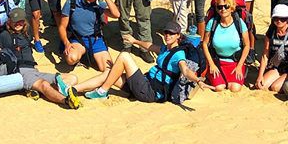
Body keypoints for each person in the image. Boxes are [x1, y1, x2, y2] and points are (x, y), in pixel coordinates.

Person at [0, 8, 81, 109]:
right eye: (15, 21)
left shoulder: (26, 33)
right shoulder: (4, 35)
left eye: (20, 21)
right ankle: (66, 101)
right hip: (21, 71)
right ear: (9, 22)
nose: (18, 24)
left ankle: (36, 90)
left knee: (72, 78)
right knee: (43, 84)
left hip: (33, 70)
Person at [73, 21, 203, 101]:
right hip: (144, 84)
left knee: (125, 56)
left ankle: (102, 91)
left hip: (150, 92)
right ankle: (73, 90)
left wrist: (197, 80)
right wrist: (135, 41)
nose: (168, 35)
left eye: (172, 33)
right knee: (109, 73)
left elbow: (185, 70)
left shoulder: (179, 54)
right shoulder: (165, 48)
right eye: (166, 33)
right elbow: (150, 46)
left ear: (178, 36)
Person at [59, 0, 120, 72]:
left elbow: (116, 15)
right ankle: (83, 55)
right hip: (78, 39)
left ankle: (90, 54)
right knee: (71, 58)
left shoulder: (98, 5)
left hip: (95, 39)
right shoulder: (71, 3)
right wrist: (66, 43)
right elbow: (62, 26)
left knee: (108, 69)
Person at [201, 0, 250, 92]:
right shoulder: (212, 23)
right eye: (220, 7)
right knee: (219, 88)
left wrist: (240, 66)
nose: (223, 9)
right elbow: (205, 44)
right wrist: (211, 64)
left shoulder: (239, 23)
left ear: (232, 8)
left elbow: (247, 45)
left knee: (235, 88)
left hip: (235, 63)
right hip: (217, 63)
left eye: (226, 6)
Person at [255, 3, 288, 93]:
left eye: (282, 19)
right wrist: (260, 76)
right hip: (277, 67)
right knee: (261, 86)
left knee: (275, 87)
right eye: (276, 18)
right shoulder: (271, 32)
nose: (279, 21)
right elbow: (265, 55)